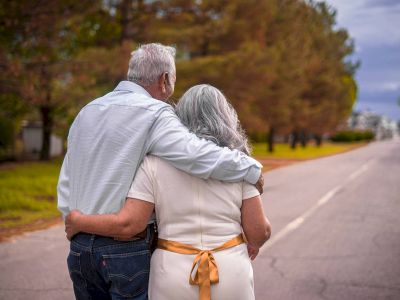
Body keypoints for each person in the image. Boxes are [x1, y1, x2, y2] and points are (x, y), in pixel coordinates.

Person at [58, 43, 264, 300]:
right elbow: (196, 154)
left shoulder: (86, 112)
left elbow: (67, 178)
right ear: (165, 79)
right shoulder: (156, 113)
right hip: (124, 249)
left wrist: (73, 220)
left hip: (79, 248)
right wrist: (251, 168)